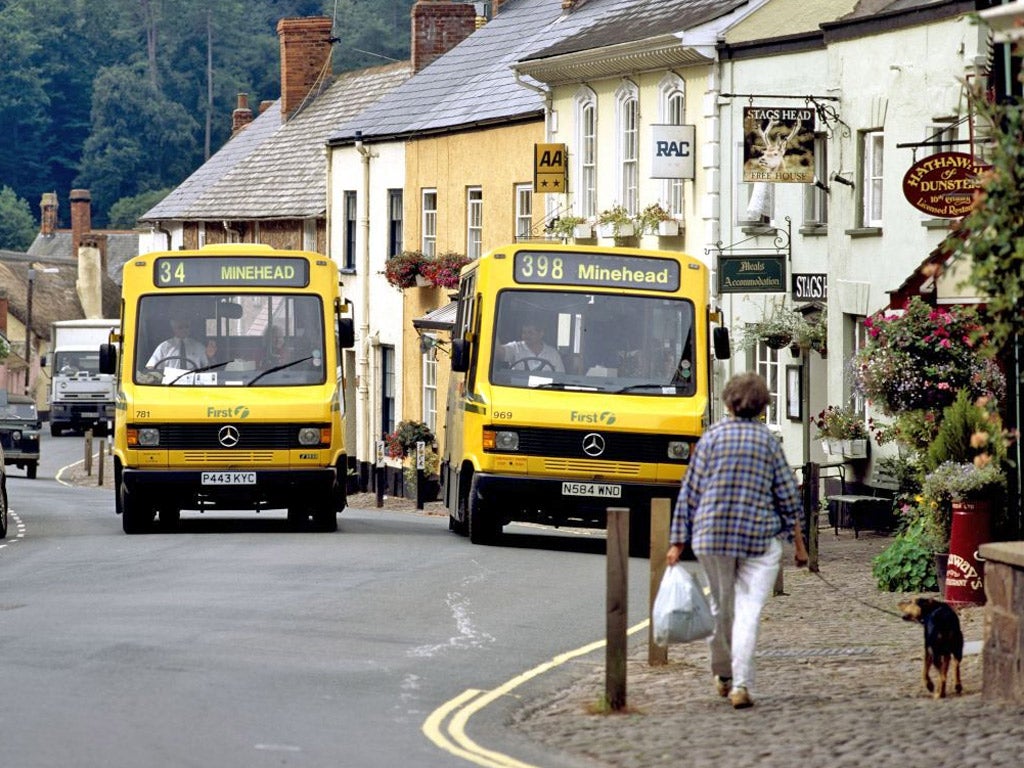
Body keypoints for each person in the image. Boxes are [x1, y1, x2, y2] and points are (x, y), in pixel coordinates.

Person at [666, 371, 808, 710]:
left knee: (720, 609)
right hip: (758, 540)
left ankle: (723, 674)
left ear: (729, 402)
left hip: (711, 535)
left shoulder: (711, 438)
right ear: (762, 407)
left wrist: (678, 541)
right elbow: (788, 498)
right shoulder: (769, 443)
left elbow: (690, 492)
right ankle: (740, 685)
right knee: (749, 613)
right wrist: (799, 546)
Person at [497, 322, 564, 372]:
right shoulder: (515, 347)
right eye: (524, 332)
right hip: (518, 389)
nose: (526, 336)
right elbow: (498, 352)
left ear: (541, 334)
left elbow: (560, 376)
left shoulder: (553, 353)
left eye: (530, 333)